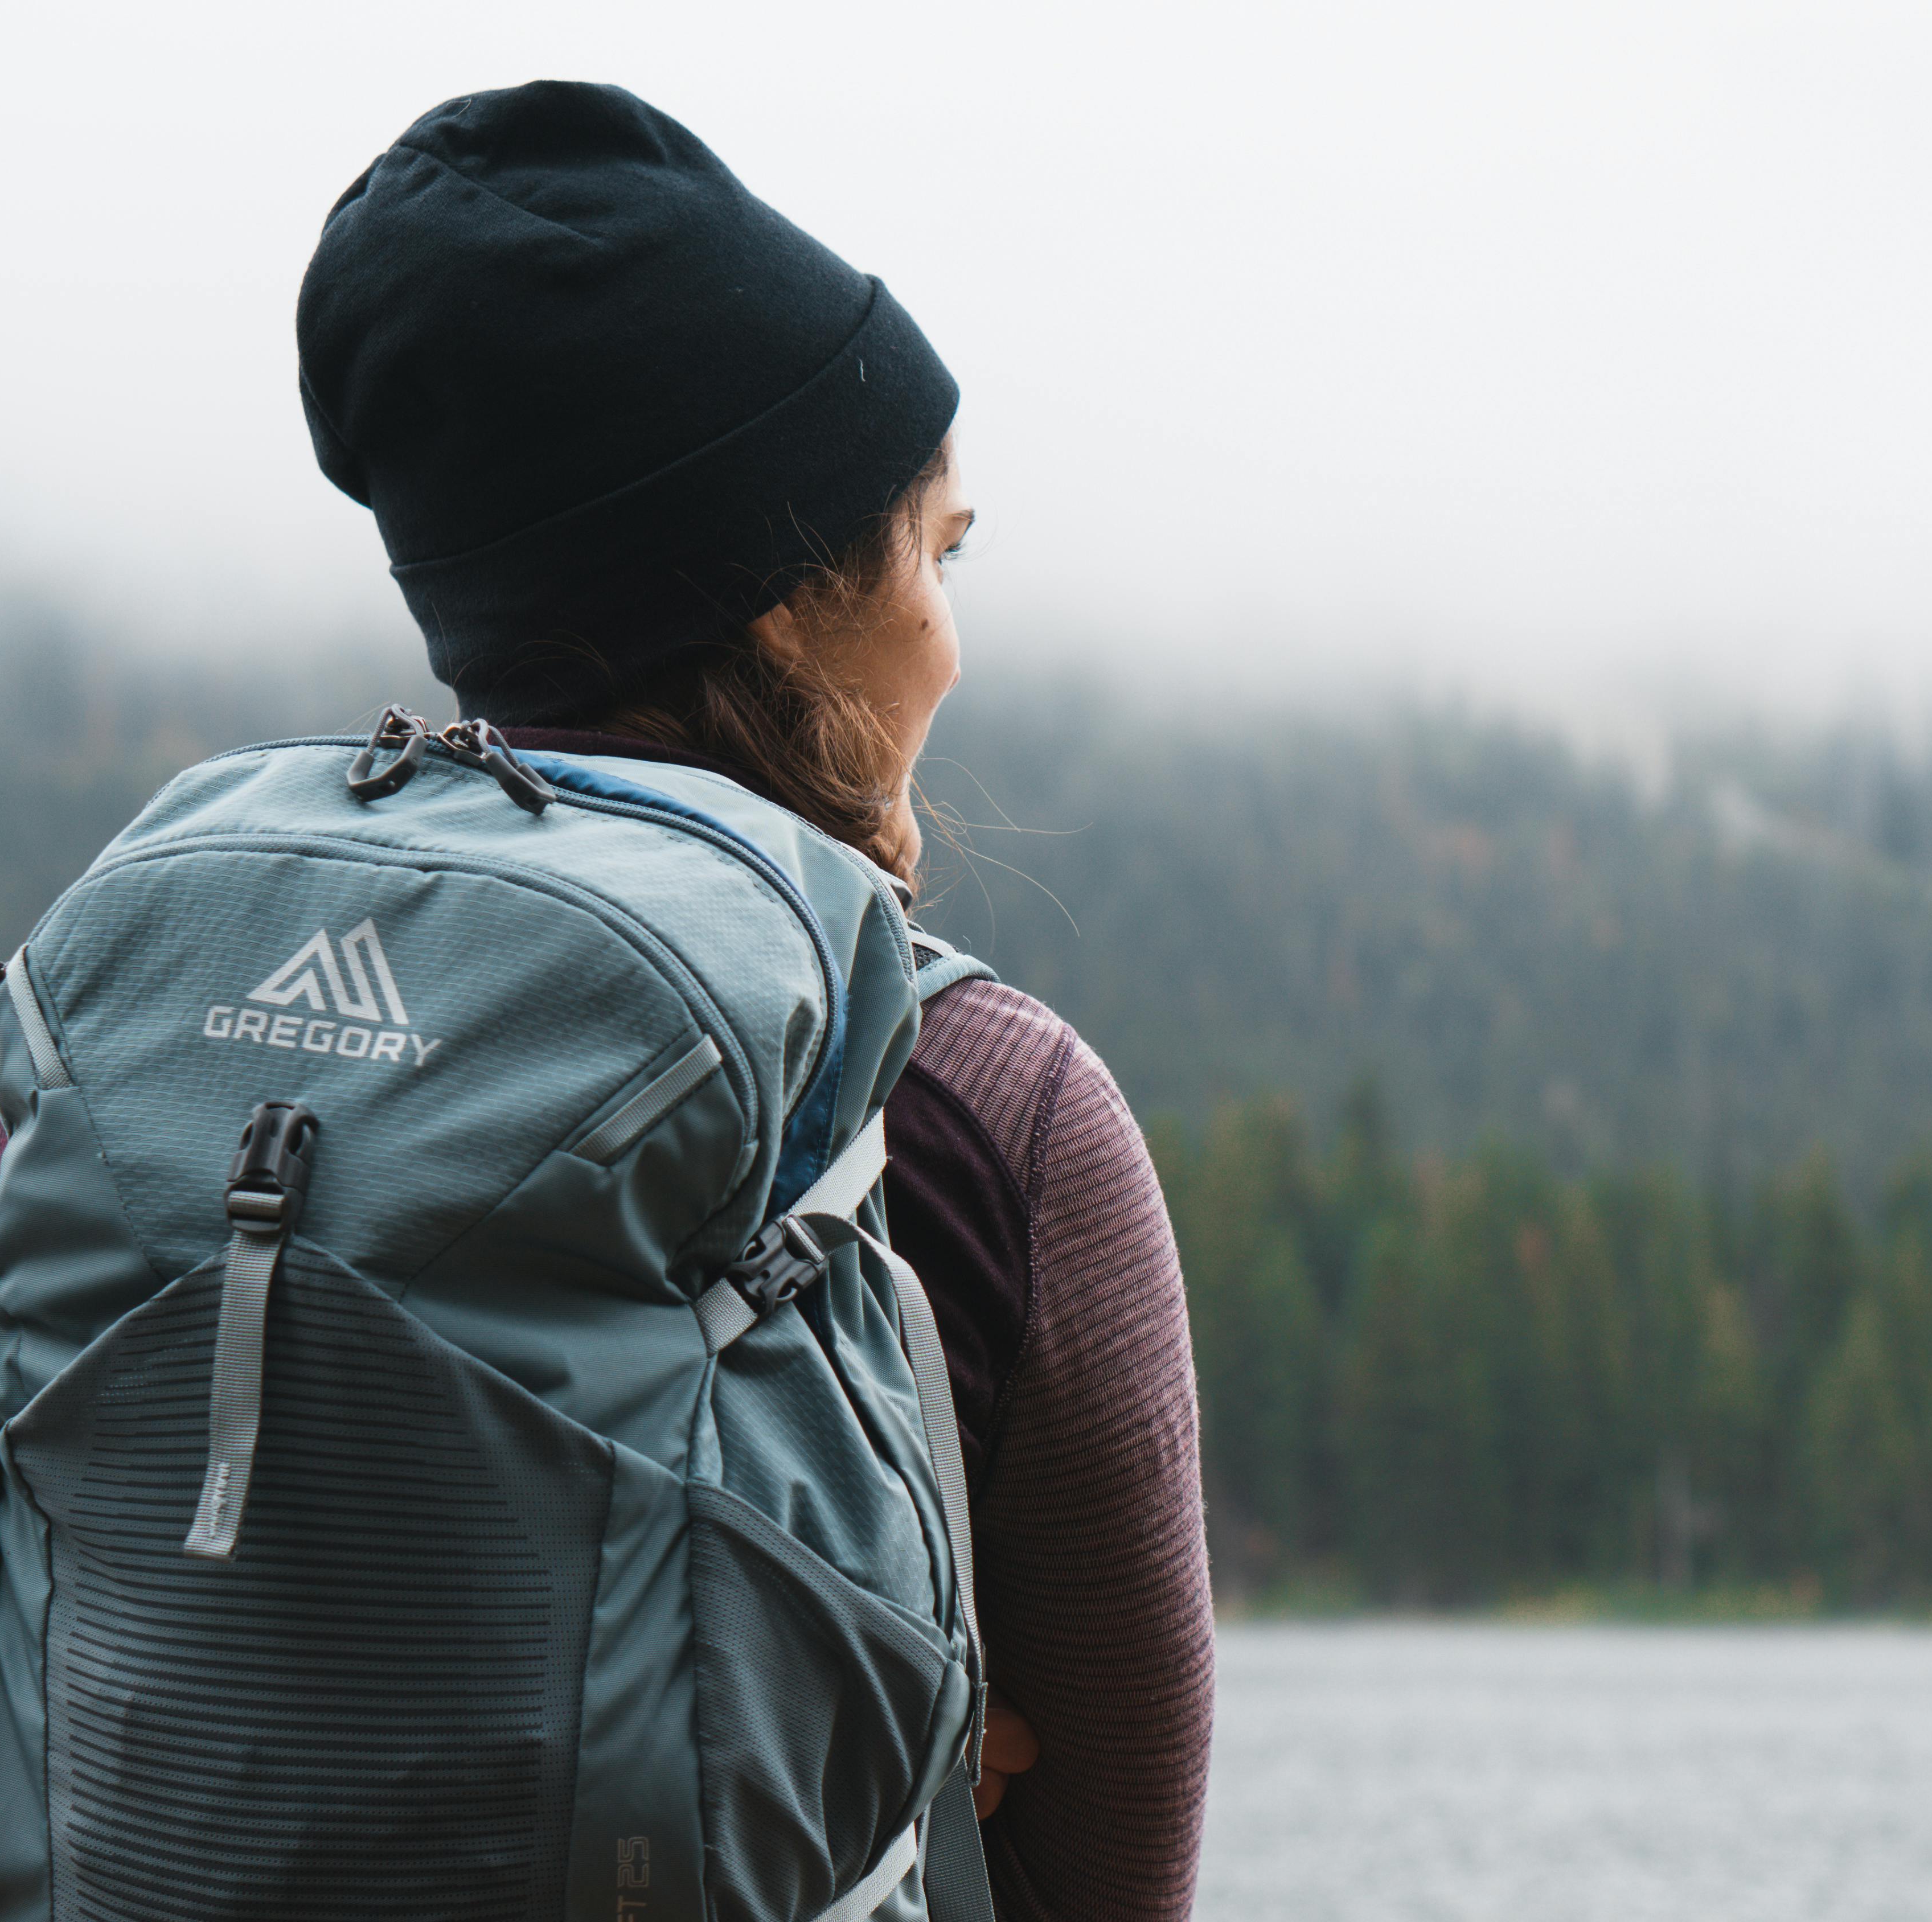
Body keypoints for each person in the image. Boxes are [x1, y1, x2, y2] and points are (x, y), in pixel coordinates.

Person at [295, 80, 1213, 1921]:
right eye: (937, 551)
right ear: (789, 600)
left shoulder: (183, 1004)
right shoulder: (974, 1100)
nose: (954, 630)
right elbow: (1105, 1867)